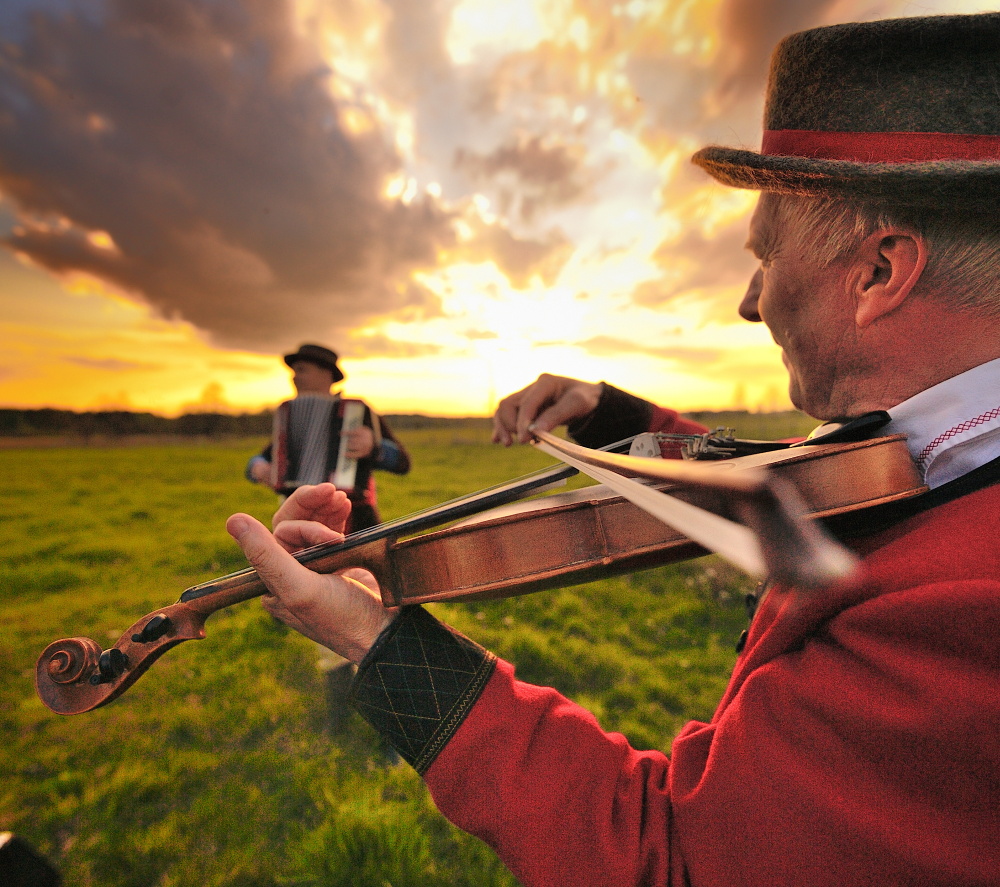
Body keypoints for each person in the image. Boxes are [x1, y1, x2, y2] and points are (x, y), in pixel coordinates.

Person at [226, 13, 1000, 887]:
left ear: (879, 274)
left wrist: (385, 646)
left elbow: (671, 859)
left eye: (766, 253)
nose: (751, 301)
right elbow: (803, 481)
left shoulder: (966, 617)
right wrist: (611, 412)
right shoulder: (944, 448)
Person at [246, 343, 411, 533]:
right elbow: (260, 459)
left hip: (354, 519)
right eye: (293, 371)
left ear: (326, 373)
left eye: (302, 370)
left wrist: (375, 447)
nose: (294, 377)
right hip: (302, 518)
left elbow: (403, 463)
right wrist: (257, 467)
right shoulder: (291, 416)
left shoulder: (357, 412)